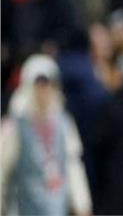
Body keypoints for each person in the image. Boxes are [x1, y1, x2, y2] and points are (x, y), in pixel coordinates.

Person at [0, 54, 92, 215]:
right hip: (23, 207)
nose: (44, 91)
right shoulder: (15, 125)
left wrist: (81, 204)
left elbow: (72, 165)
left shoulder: (63, 123)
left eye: (49, 85)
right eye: (39, 85)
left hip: (56, 207)